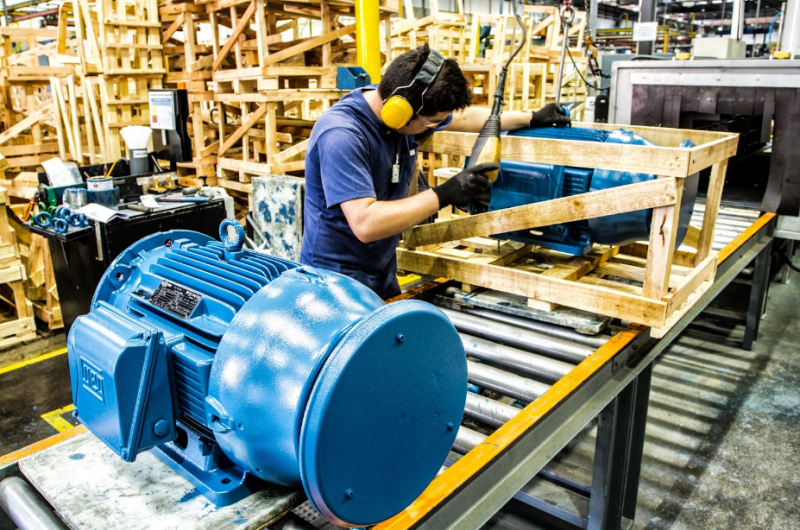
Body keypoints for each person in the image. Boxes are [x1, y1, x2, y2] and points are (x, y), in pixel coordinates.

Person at [300, 44, 570, 300]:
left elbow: (464, 119)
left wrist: (531, 117)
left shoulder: (400, 107)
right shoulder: (342, 135)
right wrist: (444, 194)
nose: (436, 126)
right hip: (334, 282)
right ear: (400, 111)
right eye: (433, 122)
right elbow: (366, 223)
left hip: (380, 271)